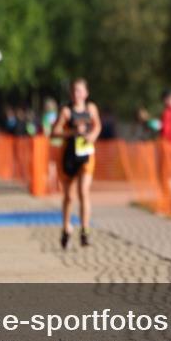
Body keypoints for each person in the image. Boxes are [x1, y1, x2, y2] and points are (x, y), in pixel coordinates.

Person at [51, 78, 102, 249]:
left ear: (86, 93)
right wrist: (72, 131)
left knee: (83, 191)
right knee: (69, 196)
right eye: (74, 91)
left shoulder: (91, 108)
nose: (76, 94)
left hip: (86, 155)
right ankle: (66, 228)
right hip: (68, 157)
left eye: (80, 91)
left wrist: (92, 136)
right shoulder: (66, 111)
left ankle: (85, 231)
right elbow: (54, 132)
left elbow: (97, 126)